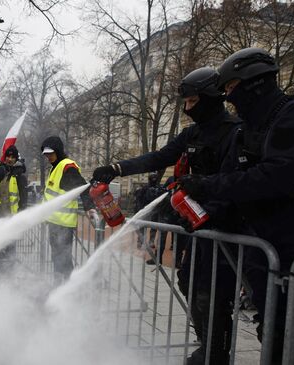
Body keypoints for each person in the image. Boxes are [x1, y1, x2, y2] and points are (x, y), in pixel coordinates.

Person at [179, 48, 294, 364]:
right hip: (270, 251)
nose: (229, 100)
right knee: (272, 334)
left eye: (231, 90)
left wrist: (207, 184)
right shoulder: (246, 132)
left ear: (254, 84)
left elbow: (275, 177)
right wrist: (206, 215)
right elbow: (232, 185)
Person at [92, 66, 241, 364]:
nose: (187, 109)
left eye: (192, 101)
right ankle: (206, 344)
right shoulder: (192, 133)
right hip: (196, 223)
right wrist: (116, 168)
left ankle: (216, 353)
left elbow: (235, 182)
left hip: (223, 226)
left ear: (211, 98)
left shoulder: (234, 132)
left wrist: (211, 205)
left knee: (210, 293)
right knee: (189, 283)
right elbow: (159, 158)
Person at [41, 136, 96, 283]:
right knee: (57, 258)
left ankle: (66, 289)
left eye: (50, 153)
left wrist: (89, 207)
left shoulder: (67, 167)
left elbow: (82, 188)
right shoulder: (56, 167)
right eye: (46, 154)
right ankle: (59, 285)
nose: (48, 157)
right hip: (54, 223)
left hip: (64, 225)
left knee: (63, 260)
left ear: (58, 151)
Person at [0, 145, 28, 215]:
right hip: (0, 215)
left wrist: (20, 215)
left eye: (12, 157)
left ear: (16, 159)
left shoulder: (20, 176)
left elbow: (23, 199)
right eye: (8, 156)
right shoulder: (1, 172)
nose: (9, 159)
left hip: (14, 215)